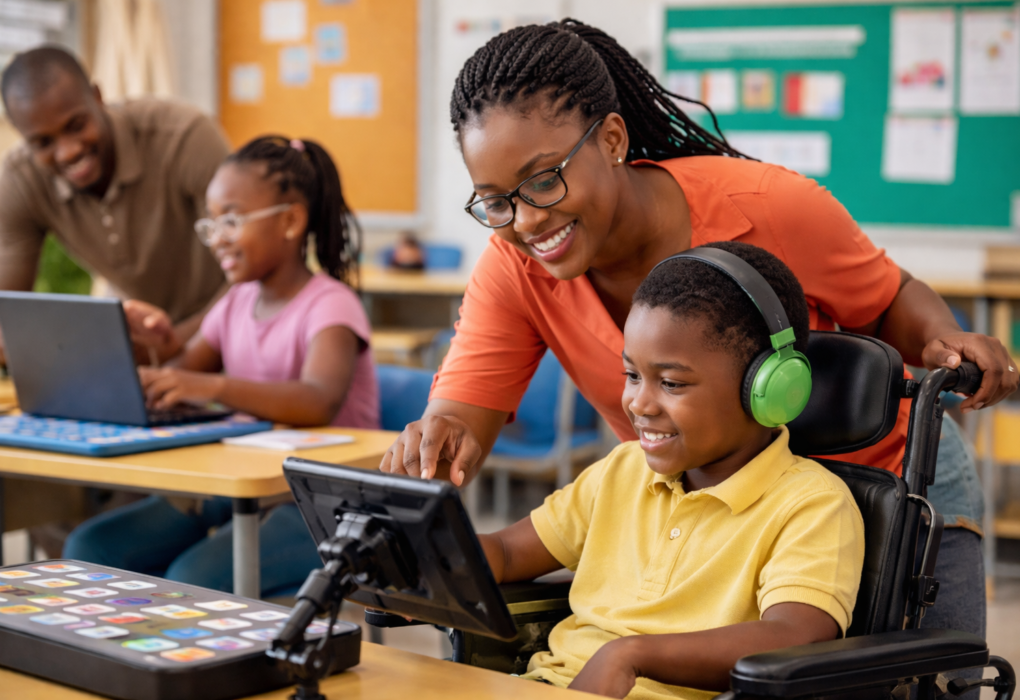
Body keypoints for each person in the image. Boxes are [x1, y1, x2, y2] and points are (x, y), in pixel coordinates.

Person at [381, 19, 1017, 695]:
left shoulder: (767, 206)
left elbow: (887, 297)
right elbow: (464, 417)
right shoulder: (517, 267)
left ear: (613, 140)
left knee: (931, 684)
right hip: (698, 495)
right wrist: (433, 455)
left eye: (543, 181)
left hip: (889, 480)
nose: (527, 220)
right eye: (495, 202)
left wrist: (942, 338)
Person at [480, 241, 864, 699]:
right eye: (632, 375)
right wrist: (429, 562)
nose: (639, 404)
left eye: (671, 383)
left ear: (767, 389)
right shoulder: (622, 469)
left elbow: (795, 636)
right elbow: (506, 552)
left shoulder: (812, 504)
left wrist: (629, 655)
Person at [64, 135, 380, 595]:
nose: (216, 238)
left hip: (327, 507)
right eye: (210, 223)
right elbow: (180, 372)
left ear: (291, 221)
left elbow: (318, 401)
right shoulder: (236, 302)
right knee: (89, 548)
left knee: (191, 580)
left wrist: (210, 386)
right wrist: (156, 347)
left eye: (230, 219)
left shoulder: (331, 305)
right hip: (245, 488)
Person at [0, 46, 227, 355]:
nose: (68, 152)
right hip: (137, 341)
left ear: (97, 97)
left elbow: (255, 272)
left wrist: (179, 349)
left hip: (226, 324)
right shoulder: (20, 180)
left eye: (77, 125)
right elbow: (8, 313)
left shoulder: (183, 136)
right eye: (43, 143)